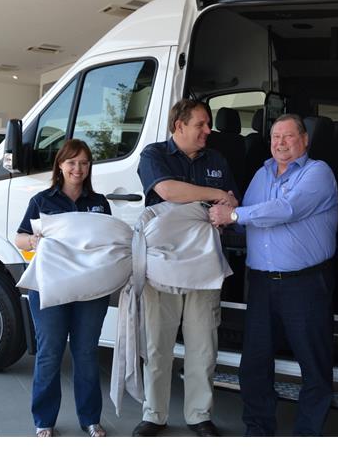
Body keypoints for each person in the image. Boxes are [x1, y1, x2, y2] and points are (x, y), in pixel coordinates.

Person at [209, 114, 338, 436]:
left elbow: (286, 210)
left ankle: (306, 437)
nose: (280, 143)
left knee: (314, 365)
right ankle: (258, 431)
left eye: (288, 136)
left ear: (304, 139)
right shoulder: (262, 173)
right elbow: (248, 220)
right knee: (254, 364)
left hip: (305, 284)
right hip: (262, 284)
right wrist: (226, 216)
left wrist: (235, 213)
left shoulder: (318, 172)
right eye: (275, 137)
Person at [133, 99, 239, 437]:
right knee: (156, 343)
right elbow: (167, 191)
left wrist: (226, 205)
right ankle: (154, 414)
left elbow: (233, 202)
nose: (208, 130)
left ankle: (199, 415)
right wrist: (215, 193)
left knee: (203, 345)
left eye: (208, 124)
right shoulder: (154, 154)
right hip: (161, 265)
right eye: (201, 124)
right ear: (179, 125)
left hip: (204, 265)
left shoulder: (217, 159)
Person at [15, 138, 111, 438]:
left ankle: (90, 419)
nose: (77, 169)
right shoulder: (42, 201)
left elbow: (108, 242)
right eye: (71, 162)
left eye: (84, 163)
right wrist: (33, 241)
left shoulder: (99, 202)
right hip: (49, 287)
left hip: (90, 289)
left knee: (86, 353)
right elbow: (19, 237)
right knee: (50, 353)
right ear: (60, 165)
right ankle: (44, 421)